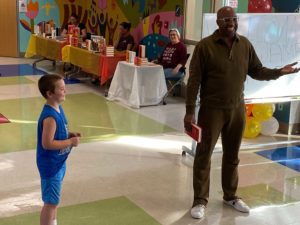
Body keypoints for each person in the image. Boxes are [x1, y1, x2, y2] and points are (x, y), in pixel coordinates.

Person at [184, 6, 300, 220]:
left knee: (232, 155)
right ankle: (200, 200)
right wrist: (190, 111)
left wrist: (279, 72)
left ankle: (230, 196)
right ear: (218, 22)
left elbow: (257, 70)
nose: (231, 23)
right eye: (226, 19)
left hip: (237, 108)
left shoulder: (244, 44)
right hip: (211, 110)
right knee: (204, 155)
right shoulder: (204, 47)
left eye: (234, 19)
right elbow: (194, 82)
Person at [37, 74, 81, 225]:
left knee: (54, 201)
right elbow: (47, 144)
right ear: (50, 94)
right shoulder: (50, 117)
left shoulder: (58, 108)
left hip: (59, 162)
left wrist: (68, 135)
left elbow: (58, 133)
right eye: (61, 89)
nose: (65, 91)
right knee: (50, 203)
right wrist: (69, 141)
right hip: (51, 166)